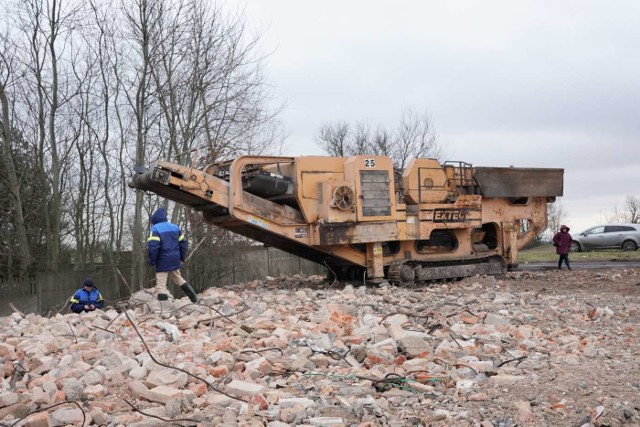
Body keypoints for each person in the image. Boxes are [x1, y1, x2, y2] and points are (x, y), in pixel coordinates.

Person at [147, 207, 199, 303]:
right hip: (175, 258)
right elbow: (183, 243)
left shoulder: (155, 228)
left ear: (155, 219)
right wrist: (182, 257)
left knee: (161, 286)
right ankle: (195, 299)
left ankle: (164, 309)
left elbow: (153, 247)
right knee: (179, 279)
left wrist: (152, 260)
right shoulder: (175, 227)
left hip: (162, 260)